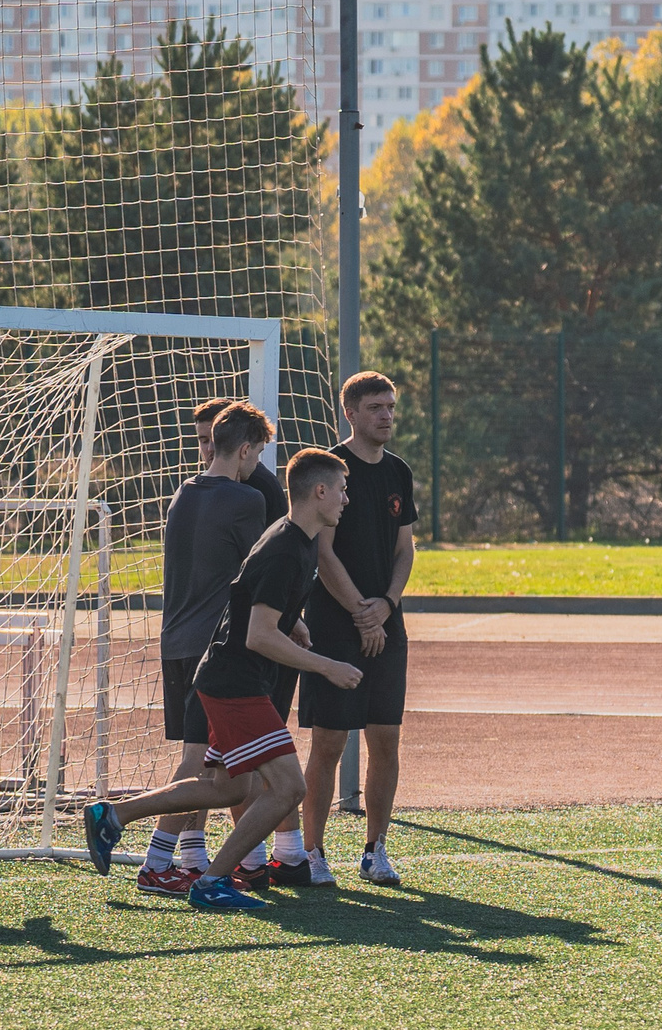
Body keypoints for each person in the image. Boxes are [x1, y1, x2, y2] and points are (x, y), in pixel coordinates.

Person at [83, 449, 362, 911]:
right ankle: (212, 881)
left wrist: (293, 621)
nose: (346, 500)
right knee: (289, 788)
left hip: (230, 678)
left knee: (230, 789)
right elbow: (257, 636)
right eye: (342, 490)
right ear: (319, 491)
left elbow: (250, 597)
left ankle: (113, 814)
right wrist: (327, 666)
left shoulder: (299, 538)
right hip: (236, 683)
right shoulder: (286, 547)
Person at [139, 401, 274, 898]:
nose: (256, 464)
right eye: (256, 453)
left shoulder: (183, 493)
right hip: (209, 649)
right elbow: (257, 576)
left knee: (216, 763)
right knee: (197, 764)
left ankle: (199, 857)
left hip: (174, 641)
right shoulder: (247, 501)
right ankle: (156, 860)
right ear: (243, 449)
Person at [299, 371, 417, 888]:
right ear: (350, 413)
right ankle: (312, 852)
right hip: (335, 625)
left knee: (385, 739)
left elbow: (404, 548)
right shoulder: (327, 470)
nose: (386, 415)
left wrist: (386, 606)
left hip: (386, 623)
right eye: (375, 407)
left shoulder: (400, 473)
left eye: (390, 406)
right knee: (328, 743)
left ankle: (375, 851)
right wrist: (359, 613)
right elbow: (321, 553)